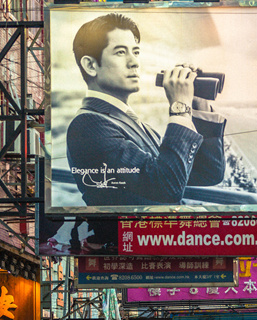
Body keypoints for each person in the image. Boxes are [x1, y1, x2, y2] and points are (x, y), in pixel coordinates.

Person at [66, 13, 228, 208]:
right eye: (120, 52)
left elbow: (207, 173)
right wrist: (179, 108)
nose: (134, 62)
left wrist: (197, 103)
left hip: (154, 236)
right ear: (91, 65)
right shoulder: (88, 125)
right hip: (127, 236)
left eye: (135, 52)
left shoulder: (135, 124)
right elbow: (165, 186)